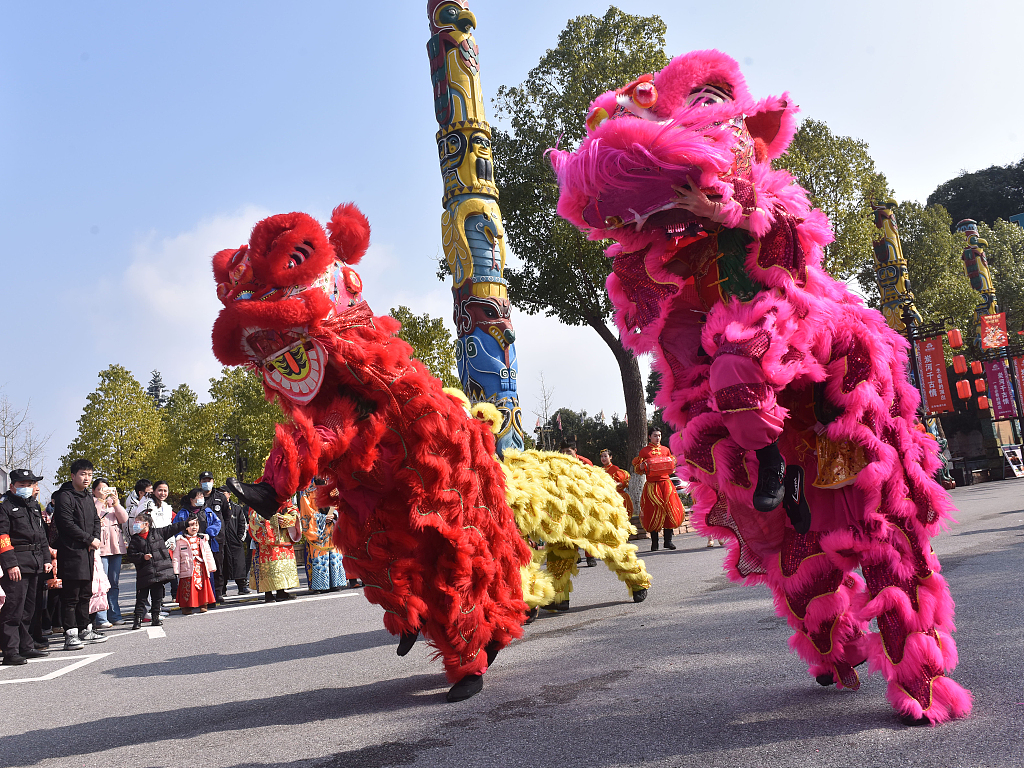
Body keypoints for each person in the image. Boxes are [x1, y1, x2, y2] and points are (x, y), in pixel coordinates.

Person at [52, 459, 107, 650]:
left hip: (87, 552)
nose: (87, 478)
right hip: (71, 552)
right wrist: (88, 539)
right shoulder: (64, 496)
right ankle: (70, 634)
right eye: (83, 474)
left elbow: (96, 520)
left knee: (85, 593)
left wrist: (96, 539)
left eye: (90, 475)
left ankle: (85, 628)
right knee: (71, 595)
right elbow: (66, 524)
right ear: (73, 475)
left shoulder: (87, 497)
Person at [0, 469, 51, 665]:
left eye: (29, 484)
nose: (26, 488)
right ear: (12, 486)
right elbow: (2, 537)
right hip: (17, 563)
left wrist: (46, 559)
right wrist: (10, 564)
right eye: (22, 485)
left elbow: (42, 536)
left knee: (29, 609)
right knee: (13, 609)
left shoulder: (33, 505)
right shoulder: (5, 506)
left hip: (35, 561)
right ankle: (11, 651)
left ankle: (26, 646)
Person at [126, 511, 189, 630]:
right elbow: (131, 555)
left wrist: (186, 523)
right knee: (141, 598)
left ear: (146, 524)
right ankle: (137, 620)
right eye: (135, 521)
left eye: (138, 522)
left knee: (157, 597)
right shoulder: (135, 539)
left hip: (159, 573)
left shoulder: (158, 533)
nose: (135, 524)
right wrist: (142, 557)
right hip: (144, 574)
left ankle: (156, 617)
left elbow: (172, 528)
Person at [632, 429, 686, 552]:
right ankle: (654, 543)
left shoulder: (666, 450)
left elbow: (672, 465)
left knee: (669, 510)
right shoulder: (644, 451)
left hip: (666, 484)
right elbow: (638, 469)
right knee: (652, 512)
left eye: (659, 435)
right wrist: (640, 466)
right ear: (649, 437)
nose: (658, 438)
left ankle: (668, 541)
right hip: (652, 485)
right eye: (655, 435)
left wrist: (673, 462)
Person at [91, 479, 128, 627]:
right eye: (100, 489)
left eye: (106, 489)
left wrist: (116, 503)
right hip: (100, 549)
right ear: (94, 491)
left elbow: (124, 519)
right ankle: (101, 618)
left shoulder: (113, 504)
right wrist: (101, 501)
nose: (104, 492)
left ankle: (115, 614)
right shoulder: (92, 503)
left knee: (114, 583)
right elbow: (92, 515)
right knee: (101, 584)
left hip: (115, 548)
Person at [247, 504, 300, 602]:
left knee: (282, 564)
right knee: (268, 566)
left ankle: (281, 591)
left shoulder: (283, 496)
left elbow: (293, 510)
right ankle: (268, 593)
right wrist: (273, 521)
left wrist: (286, 518)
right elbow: (254, 517)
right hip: (266, 539)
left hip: (283, 536)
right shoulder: (258, 496)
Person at [297, 493, 345, 593]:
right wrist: (322, 518)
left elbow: (339, 506)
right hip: (317, 532)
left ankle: (335, 583)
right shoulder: (307, 493)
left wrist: (334, 514)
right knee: (319, 556)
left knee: (334, 554)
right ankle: (320, 585)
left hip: (332, 529)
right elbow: (307, 513)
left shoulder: (332, 490)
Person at [171, 516, 217, 614]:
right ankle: (186, 607)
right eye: (191, 525)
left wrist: (211, 566)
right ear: (186, 527)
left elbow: (208, 553)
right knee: (187, 587)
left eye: (196, 525)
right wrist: (176, 569)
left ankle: (203, 604)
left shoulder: (202, 539)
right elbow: (176, 556)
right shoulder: (180, 540)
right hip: (186, 567)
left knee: (202, 586)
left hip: (200, 567)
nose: (194, 527)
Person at [198, 471, 230, 603]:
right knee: (201, 567)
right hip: (199, 538)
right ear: (200, 482)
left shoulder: (220, 497)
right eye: (204, 480)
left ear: (213, 481)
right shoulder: (197, 496)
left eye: (209, 480)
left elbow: (226, 517)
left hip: (217, 538)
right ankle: (204, 594)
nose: (207, 483)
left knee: (217, 565)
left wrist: (219, 530)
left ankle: (218, 592)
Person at [218, 489, 250, 595]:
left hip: (235, 542)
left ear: (229, 494)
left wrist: (240, 538)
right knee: (223, 566)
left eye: (224, 493)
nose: (222, 496)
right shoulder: (217, 509)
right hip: (222, 542)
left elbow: (243, 523)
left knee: (239, 565)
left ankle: (242, 586)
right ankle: (222, 589)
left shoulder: (236, 508)